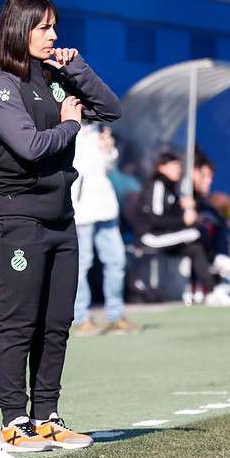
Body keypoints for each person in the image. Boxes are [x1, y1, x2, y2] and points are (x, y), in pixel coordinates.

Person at [0, 0, 121, 451]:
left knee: (56, 322)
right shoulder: (0, 83)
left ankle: (47, 416)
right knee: (19, 322)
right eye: (43, 27)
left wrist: (76, 68)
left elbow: (112, 109)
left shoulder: (57, 75)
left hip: (60, 219)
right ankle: (13, 422)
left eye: (54, 26)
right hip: (14, 219)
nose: (53, 35)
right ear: (20, 29)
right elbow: (31, 146)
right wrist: (69, 125)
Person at [134, 152, 230, 307]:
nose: (178, 169)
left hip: (164, 236)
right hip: (151, 237)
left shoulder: (171, 187)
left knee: (195, 249)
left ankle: (214, 291)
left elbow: (170, 213)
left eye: (179, 166)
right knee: (195, 232)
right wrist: (183, 220)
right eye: (174, 166)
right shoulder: (158, 185)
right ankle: (214, 259)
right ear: (162, 167)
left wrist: (184, 207)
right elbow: (155, 219)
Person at [71, 124, 135, 335]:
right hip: (82, 212)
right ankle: (81, 318)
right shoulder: (67, 129)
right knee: (81, 265)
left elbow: (109, 166)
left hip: (106, 208)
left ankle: (115, 316)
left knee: (116, 261)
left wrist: (108, 149)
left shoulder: (100, 130)